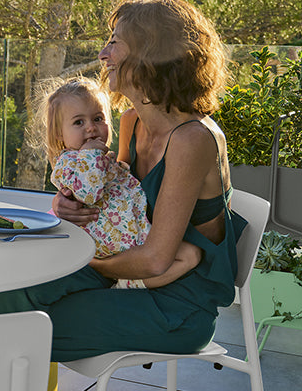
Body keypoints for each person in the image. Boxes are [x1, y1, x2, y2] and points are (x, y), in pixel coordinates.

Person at [0, 0, 248, 362]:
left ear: (150, 54)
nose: (103, 54)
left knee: (25, 328)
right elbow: (113, 198)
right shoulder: (131, 121)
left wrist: (83, 259)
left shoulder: (193, 139)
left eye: (115, 42)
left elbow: (155, 260)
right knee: (9, 286)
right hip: (124, 268)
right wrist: (68, 203)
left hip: (176, 305)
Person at [40, 77, 201, 289]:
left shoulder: (103, 159)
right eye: (79, 122)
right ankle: (127, 283)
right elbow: (90, 192)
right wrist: (91, 155)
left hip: (131, 231)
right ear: (59, 133)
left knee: (191, 255)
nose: (91, 128)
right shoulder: (67, 164)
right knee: (188, 257)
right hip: (111, 241)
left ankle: (127, 283)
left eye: (98, 119)